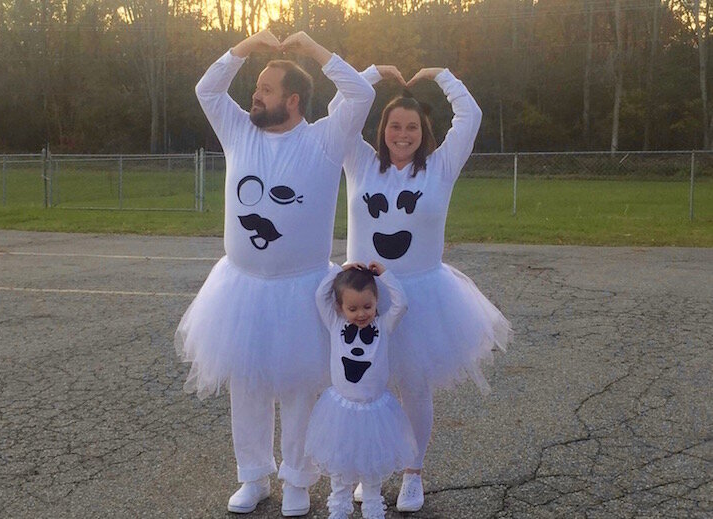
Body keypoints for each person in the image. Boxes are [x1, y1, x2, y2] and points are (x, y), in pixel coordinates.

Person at [174, 30, 375, 516]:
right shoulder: (238, 130)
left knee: (302, 390)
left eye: (265, 88)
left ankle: (300, 481)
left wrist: (313, 49)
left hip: (301, 288)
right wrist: (245, 49)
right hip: (240, 287)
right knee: (248, 386)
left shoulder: (326, 139)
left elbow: (362, 93)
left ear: (293, 99)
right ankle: (253, 477)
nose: (255, 95)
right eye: (255, 87)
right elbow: (207, 90)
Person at [328, 65, 512, 512]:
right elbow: (338, 111)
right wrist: (367, 75)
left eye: (411, 127)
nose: (403, 134)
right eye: (394, 125)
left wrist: (445, 77)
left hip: (425, 295)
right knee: (363, 388)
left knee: (413, 388)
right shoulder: (360, 161)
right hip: (365, 296)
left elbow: (470, 116)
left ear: (423, 132)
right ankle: (368, 469)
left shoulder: (440, 168)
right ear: (382, 129)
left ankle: (413, 472)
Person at [306, 261, 416, 519]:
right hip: (340, 409)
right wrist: (339, 271)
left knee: (372, 465)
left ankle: (372, 508)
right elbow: (320, 296)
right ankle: (339, 508)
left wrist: (385, 275)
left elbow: (402, 303)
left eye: (367, 306)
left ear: (376, 302)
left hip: (375, 410)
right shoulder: (335, 323)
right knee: (340, 463)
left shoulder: (383, 326)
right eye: (352, 308)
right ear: (340, 307)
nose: (361, 314)